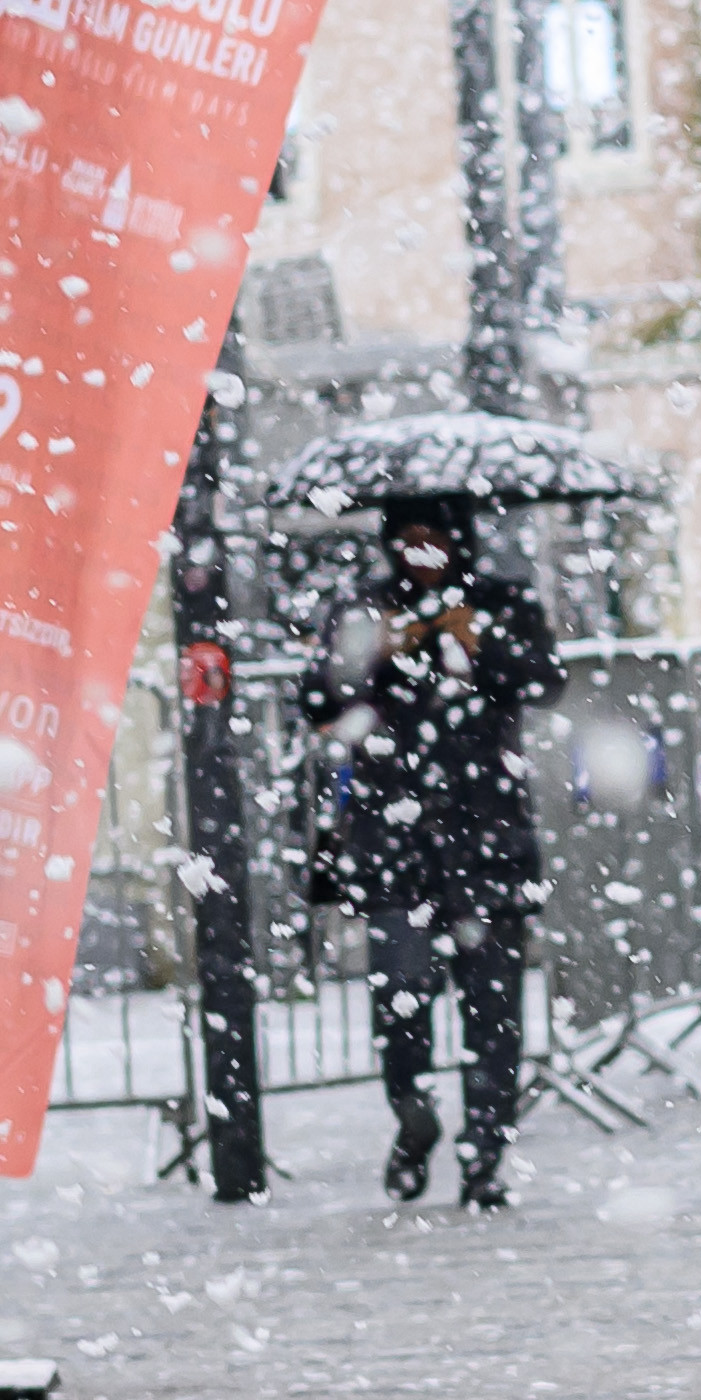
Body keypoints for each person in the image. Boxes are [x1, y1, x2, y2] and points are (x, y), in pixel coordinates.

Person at [299, 496, 562, 1209]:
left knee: (493, 1011)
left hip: (488, 835)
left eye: (434, 538)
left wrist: (481, 646)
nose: (422, 554)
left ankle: (486, 1151)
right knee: (401, 1002)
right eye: (407, 541)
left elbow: (546, 680)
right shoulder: (365, 609)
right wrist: (376, 655)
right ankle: (414, 1119)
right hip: (395, 839)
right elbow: (319, 700)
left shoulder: (500, 601)